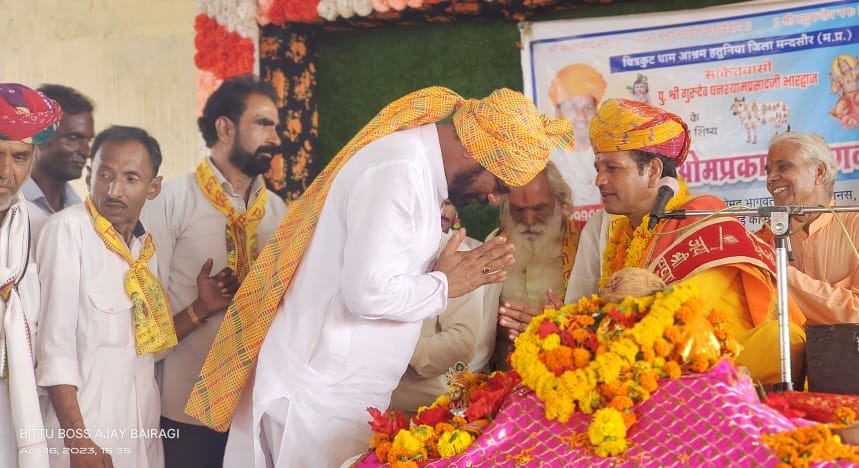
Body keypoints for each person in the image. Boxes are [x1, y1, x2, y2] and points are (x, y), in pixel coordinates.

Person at [184, 86, 573, 466]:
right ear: (475, 149)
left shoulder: (417, 172)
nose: (492, 199)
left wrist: (436, 276)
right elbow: (367, 293)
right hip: (318, 399)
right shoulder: (399, 172)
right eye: (498, 185)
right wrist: (445, 285)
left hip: (339, 395)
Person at [565, 98, 806, 384]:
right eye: (598, 168)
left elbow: (675, 313)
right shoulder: (623, 233)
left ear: (653, 171)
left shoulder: (704, 218)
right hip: (665, 365)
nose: (600, 180)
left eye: (613, 168)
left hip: (733, 366)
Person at [35, 126, 234, 468]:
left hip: (139, 435)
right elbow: (55, 350)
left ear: (153, 187)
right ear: (89, 176)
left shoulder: (143, 250)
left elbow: (147, 347)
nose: (114, 190)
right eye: (104, 175)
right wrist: (78, 441)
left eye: (131, 178)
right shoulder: (68, 231)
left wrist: (202, 307)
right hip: (85, 436)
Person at [140, 75, 289, 468]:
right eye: (263, 124)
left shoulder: (277, 211)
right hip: (184, 409)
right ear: (225, 128)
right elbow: (146, 314)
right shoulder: (171, 201)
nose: (275, 137)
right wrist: (201, 307)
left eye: (275, 126)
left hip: (254, 408)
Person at [759, 131, 859, 325]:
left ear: (819, 172)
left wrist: (781, 272)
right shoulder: (769, 234)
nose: (770, 178)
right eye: (768, 171)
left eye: (783, 167)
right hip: (782, 344)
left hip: (847, 345)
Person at [0, 82, 62, 468]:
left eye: (19, 157)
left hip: (18, 412)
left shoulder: (44, 231)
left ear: (33, 158)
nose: (5, 172)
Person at [486, 161, 579, 371]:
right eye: (518, 210)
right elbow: (480, 316)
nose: (528, 220)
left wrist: (560, 321)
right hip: (506, 370)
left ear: (559, 202)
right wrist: (502, 324)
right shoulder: (494, 243)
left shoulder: (583, 243)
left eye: (539, 208)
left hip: (566, 369)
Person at [389, 231, 490, 415]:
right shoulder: (362, 243)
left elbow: (462, 343)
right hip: (347, 395)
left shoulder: (454, 252)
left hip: (414, 412)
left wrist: (394, 349)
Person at [22, 84, 94, 215]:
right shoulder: (9, 203)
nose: (85, 152)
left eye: (88, 140)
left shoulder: (80, 210)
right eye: (73, 138)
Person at [547, 63, 607, 209]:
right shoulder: (548, 159)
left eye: (588, 108)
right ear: (559, 113)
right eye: (572, 108)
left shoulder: (610, 153)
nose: (581, 117)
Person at [828, 55, 859, 129]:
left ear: (849, 65)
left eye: (845, 65)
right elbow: (834, 91)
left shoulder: (854, 73)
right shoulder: (840, 78)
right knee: (838, 111)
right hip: (845, 98)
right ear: (840, 70)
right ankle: (848, 113)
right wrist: (833, 83)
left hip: (856, 95)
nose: (844, 67)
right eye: (842, 67)